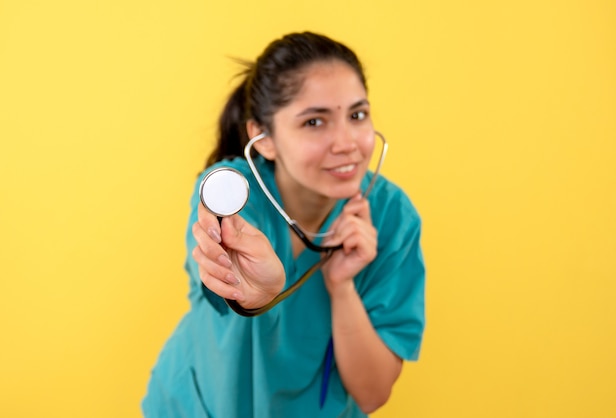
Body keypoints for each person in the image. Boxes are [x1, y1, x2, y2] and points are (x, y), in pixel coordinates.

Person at [142, 31, 425, 417]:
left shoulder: (393, 217)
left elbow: (373, 393)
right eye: (314, 122)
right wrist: (254, 292)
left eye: (357, 115)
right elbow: (228, 285)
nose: (347, 143)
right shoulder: (230, 193)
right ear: (263, 139)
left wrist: (342, 286)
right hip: (201, 405)